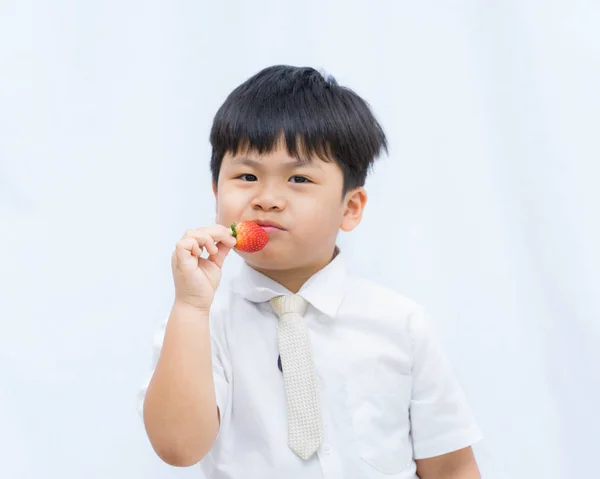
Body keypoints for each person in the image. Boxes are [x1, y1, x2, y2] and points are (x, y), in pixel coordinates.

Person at [138, 65, 483, 479]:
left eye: (298, 178)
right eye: (246, 176)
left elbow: (450, 466)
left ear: (350, 207)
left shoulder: (401, 324)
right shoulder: (199, 325)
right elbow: (178, 447)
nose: (266, 199)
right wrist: (191, 307)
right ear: (216, 193)